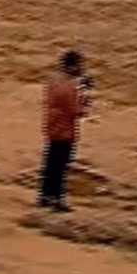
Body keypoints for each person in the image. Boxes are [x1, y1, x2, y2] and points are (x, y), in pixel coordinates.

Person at [37, 50, 91, 212]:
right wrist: (84, 94)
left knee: (50, 165)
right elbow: (77, 111)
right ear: (73, 65)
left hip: (52, 128)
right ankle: (56, 199)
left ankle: (44, 197)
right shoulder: (70, 86)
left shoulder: (53, 80)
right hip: (64, 131)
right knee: (60, 167)